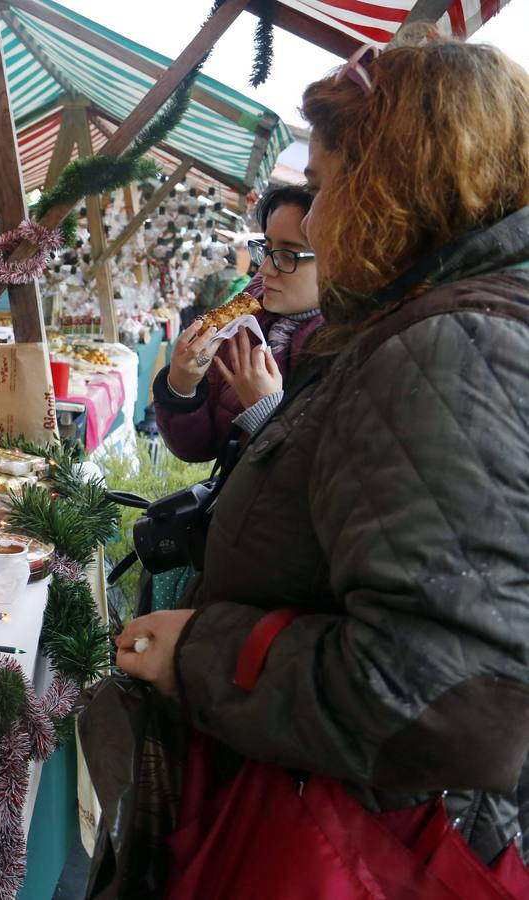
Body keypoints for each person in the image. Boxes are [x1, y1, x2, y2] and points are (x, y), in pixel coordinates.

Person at [115, 32, 529, 883]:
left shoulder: (447, 348)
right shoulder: (430, 325)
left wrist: (202, 652)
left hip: (344, 846)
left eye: (327, 184)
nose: (321, 211)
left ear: (388, 186)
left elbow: (445, 700)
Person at [152, 184, 323, 462]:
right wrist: (182, 388)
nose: (265, 269)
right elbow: (198, 449)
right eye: (267, 250)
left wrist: (265, 414)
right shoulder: (248, 321)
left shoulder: (349, 350)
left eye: (287, 255)